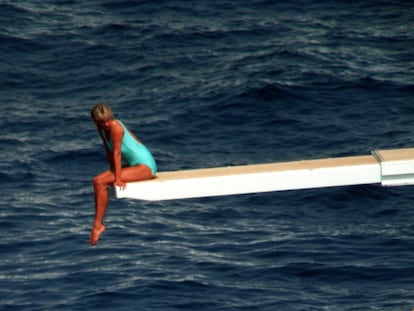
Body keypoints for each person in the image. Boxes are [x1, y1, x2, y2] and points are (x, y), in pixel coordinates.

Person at [90, 103, 157, 245]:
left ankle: (98, 226)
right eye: (102, 122)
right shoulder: (102, 129)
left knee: (99, 181)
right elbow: (108, 152)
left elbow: (117, 153)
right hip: (134, 165)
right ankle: (97, 225)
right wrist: (112, 172)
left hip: (145, 166)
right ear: (96, 122)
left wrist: (118, 178)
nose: (106, 124)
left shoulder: (115, 126)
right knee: (98, 181)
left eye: (108, 120)